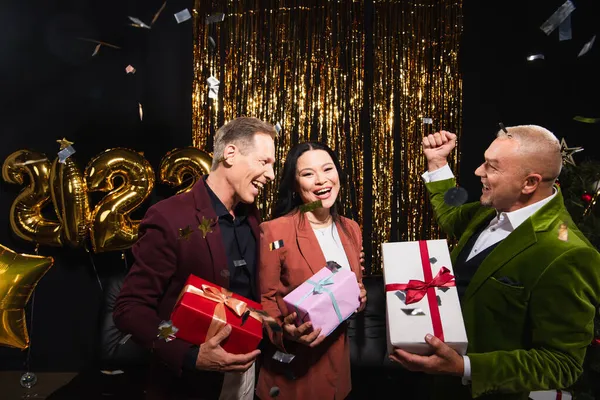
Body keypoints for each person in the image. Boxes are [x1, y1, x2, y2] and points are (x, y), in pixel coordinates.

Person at [389, 125, 600, 399]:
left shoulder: (569, 254)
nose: (478, 171)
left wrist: (465, 367)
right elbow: (452, 217)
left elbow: (562, 364)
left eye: (492, 166)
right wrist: (438, 163)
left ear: (530, 183)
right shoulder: (495, 207)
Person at [113, 117, 277, 400]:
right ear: (230, 154)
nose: (271, 174)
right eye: (264, 162)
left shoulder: (251, 215)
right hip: (190, 384)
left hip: (246, 374)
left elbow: (246, 294)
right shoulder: (169, 217)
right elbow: (131, 309)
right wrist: (187, 353)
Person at [255, 142, 368, 400]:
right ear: (295, 185)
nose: (321, 180)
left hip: (338, 371)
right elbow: (263, 301)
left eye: (328, 169)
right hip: (292, 374)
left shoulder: (351, 229)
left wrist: (359, 298)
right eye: (308, 174)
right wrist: (284, 332)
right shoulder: (275, 232)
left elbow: (351, 291)